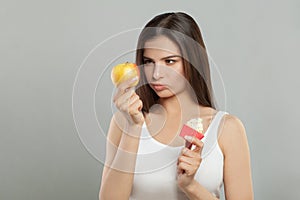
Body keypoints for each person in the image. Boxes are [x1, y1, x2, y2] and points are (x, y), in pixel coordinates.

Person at [99, 12, 253, 200]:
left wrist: (190, 186)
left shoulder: (227, 128)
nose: (156, 74)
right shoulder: (124, 123)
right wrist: (134, 126)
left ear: (193, 61)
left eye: (169, 61)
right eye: (149, 62)